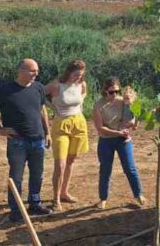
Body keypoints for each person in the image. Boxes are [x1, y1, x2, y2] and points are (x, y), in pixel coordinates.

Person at [0, 58, 53, 222]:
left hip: (38, 140)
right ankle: (16, 209)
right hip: (17, 142)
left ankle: (35, 203)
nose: (36, 74)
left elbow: (42, 111)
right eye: (32, 71)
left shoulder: (38, 88)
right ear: (20, 71)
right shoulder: (5, 90)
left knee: (37, 175)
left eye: (37, 71)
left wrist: (47, 132)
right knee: (16, 177)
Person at [93, 78, 145, 209]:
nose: (115, 94)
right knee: (105, 170)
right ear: (105, 91)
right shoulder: (98, 105)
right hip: (106, 140)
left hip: (123, 141)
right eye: (111, 92)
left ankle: (138, 194)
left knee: (130, 168)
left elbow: (135, 120)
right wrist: (118, 133)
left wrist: (133, 122)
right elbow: (100, 128)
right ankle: (103, 198)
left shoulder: (124, 101)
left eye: (117, 91)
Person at [45, 60, 89, 211]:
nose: (79, 77)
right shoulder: (56, 85)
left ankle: (64, 192)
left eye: (81, 75)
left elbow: (84, 93)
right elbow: (38, 94)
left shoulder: (81, 84)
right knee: (60, 163)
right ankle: (56, 198)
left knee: (71, 160)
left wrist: (80, 103)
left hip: (78, 123)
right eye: (76, 74)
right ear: (69, 72)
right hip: (61, 124)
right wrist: (52, 107)